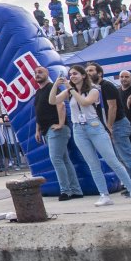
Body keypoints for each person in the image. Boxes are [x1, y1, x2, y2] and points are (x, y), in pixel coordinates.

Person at [49, 65, 131, 206]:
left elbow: (85, 102)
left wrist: (71, 89)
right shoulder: (69, 91)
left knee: (112, 160)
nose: (72, 76)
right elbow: (52, 101)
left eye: (75, 74)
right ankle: (103, 194)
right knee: (93, 164)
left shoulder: (94, 90)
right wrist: (56, 85)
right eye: (70, 74)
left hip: (94, 126)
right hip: (78, 129)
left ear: (83, 76)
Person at [85, 63, 131, 196]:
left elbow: (112, 107)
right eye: (86, 71)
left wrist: (109, 126)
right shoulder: (94, 88)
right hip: (110, 125)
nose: (88, 73)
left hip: (117, 124)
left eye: (91, 70)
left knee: (127, 156)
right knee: (120, 157)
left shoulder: (106, 86)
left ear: (100, 73)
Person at [33, 66, 82, 200]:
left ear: (47, 74)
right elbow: (39, 112)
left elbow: (60, 105)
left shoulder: (51, 88)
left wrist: (61, 123)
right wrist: (37, 130)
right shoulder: (38, 93)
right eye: (36, 72)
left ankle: (66, 190)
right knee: (64, 159)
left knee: (57, 159)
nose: (37, 74)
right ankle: (75, 190)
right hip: (46, 130)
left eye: (40, 72)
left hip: (56, 129)